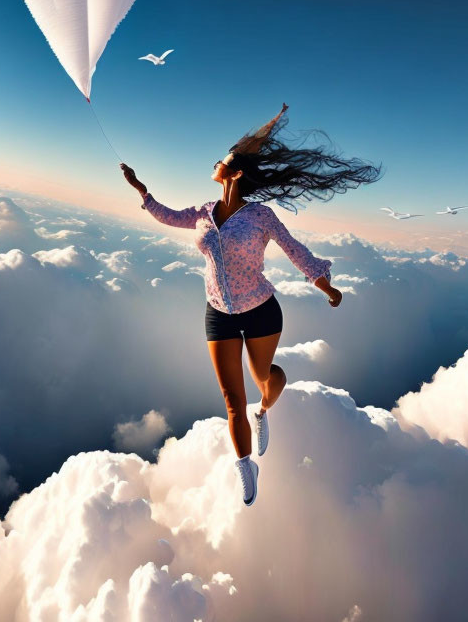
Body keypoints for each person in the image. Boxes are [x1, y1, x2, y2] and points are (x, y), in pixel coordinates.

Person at [120, 104, 381, 506]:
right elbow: (168, 215)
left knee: (266, 378)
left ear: (236, 172)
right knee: (230, 401)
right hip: (218, 313)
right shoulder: (204, 212)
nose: (215, 163)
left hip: (261, 309)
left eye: (221, 161)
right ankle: (245, 464)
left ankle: (264, 411)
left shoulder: (261, 216)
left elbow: (295, 251)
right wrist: (142, 191)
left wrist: (325, 285)